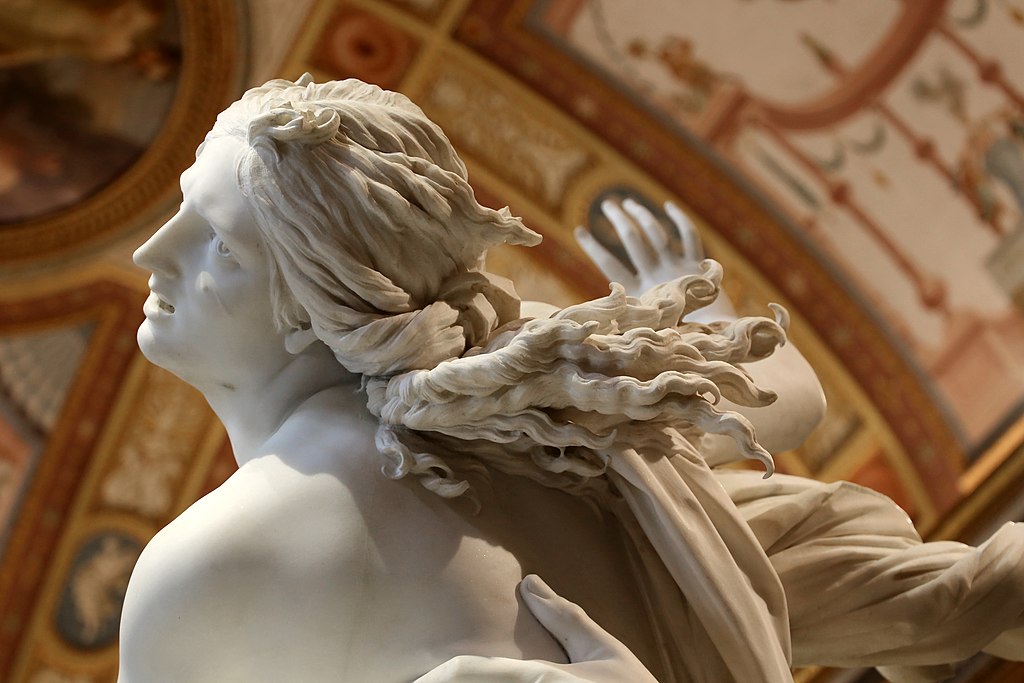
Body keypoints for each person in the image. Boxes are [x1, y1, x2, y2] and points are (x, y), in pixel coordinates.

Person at [121, 74, 1023, 683]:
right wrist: (698, 312)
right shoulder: (523, 396)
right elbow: (788, 403)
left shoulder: (209, 563)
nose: (150, 252)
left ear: (314, 304)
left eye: (219, 246)